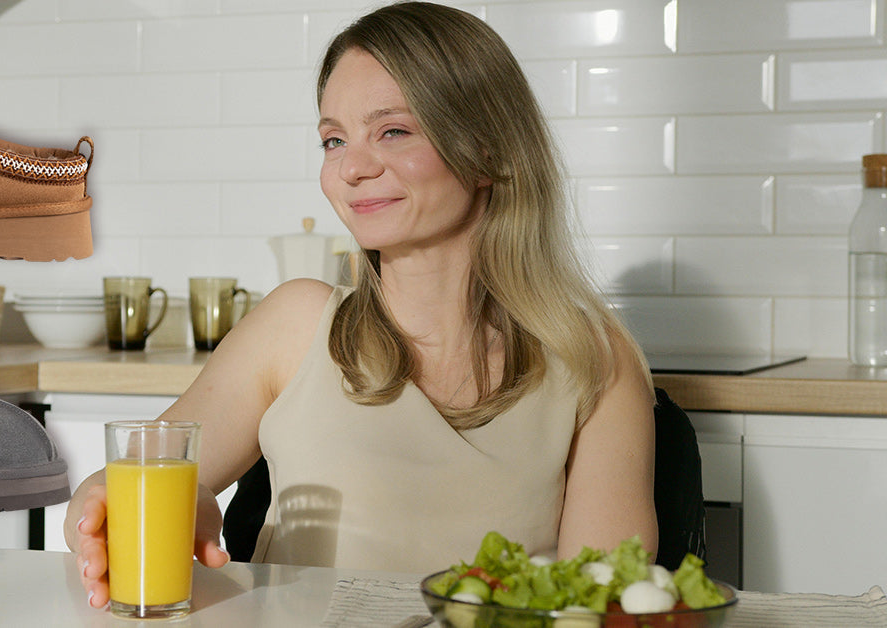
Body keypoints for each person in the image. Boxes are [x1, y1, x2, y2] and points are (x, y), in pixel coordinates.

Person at [66, 1, 656, 608]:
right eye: (333, 139)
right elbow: (108, 491)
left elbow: (604, 602)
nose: (351, 167)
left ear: (489, 150)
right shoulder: (296, 325)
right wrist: (112, 514)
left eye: (393, 131)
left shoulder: (594, 361)